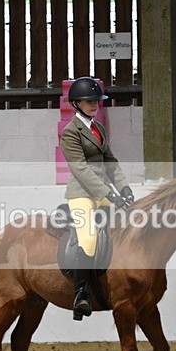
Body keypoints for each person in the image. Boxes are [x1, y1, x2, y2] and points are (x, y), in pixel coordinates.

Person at [60, 77, 134, 321]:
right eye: (90, 101)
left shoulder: (97, 128)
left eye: (97, 101)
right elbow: (80, 169)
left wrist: (124, 188)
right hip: (82, 195)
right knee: (89, 238)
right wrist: (108, 192)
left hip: (103, 193)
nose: (95, 105)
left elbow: (110, 162)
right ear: (76, 103)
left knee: (127, 227)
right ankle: (80, 296)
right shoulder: (71, 132)